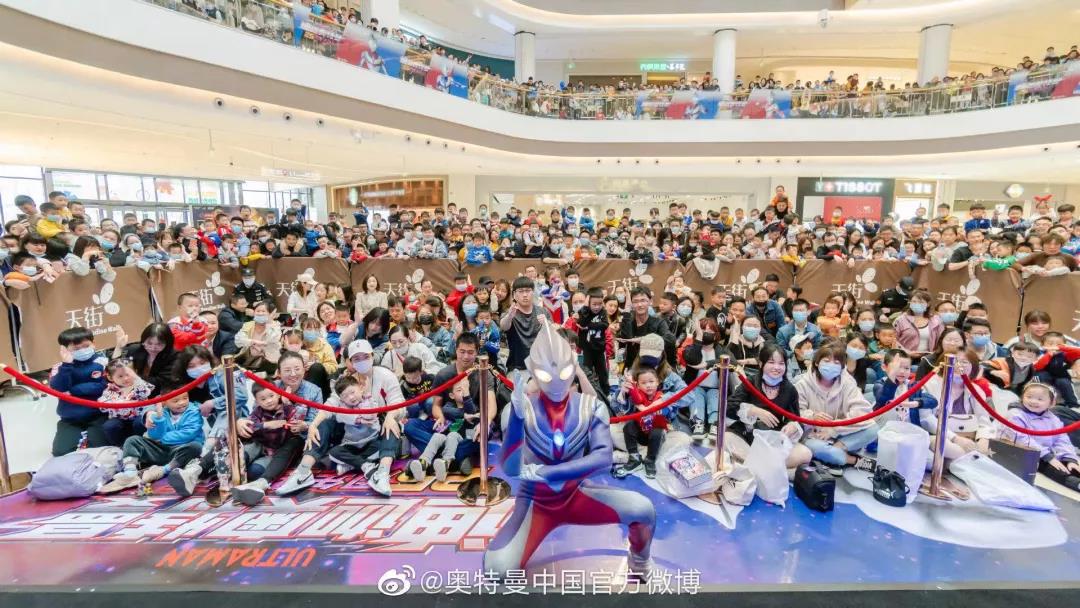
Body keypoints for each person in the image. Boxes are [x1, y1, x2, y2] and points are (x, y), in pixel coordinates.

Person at [484, 323, 655, 578]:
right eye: (545, 375)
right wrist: (518, 419)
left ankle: (639, 562)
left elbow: (603, 458)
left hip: (576, 496)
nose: (556, 381)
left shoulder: (590, 407)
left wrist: (547, 472)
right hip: (535, 503)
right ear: (533, 371)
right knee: (497, 569)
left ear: (574, 365)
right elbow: (511, 468)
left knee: (643, 510)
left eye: (564, 371)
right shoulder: (521, 409)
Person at [277, 344, 405, 497]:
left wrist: (390, 416)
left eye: (365, 356)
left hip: (377, 428)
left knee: (391, 424)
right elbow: (330, 405)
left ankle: (382, 473)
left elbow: (399, 402)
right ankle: (303, 471)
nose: (362, 361)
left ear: (372, 356)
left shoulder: (385, 375)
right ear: (350, 361)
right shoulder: (346, 381)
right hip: (351, 434)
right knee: (324, 422)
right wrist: (313, 425)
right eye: (356, 358)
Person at [101, 381, 204, 493]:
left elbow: (188, 433)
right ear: (164, 402)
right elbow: (155, 435)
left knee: (195, 447)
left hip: (181, 450)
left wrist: (162, 439)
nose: (182, 402)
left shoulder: (194, 411)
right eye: (175, 401)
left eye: (185, 398)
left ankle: (163, 470)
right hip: (161, 449)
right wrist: (159, 417)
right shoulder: (160, 411)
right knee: (132, 440)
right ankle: (130, 473)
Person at [794, 342, 879, 473]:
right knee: (821, 450)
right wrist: (812, 416)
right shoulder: (802, 384)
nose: (831, 365)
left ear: (842, 367)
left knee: (873, 429)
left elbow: (862, 412)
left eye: (836, 363)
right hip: (814, 436)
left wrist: (834, 429)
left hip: (840, 433)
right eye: (826, 361)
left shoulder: (847, 383)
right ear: (816, 363)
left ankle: (837, 449)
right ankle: (854, 460)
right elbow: (796, 413)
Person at [729, 343, 812, 469]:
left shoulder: (790, 389)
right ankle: (767, 467)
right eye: (771, 362)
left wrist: (792, 426)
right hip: (746, 436)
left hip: (773, 440)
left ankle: (756, 466)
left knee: (805, 453)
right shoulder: (750, 382)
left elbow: (795, 418)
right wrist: (753, 410)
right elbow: (729, 407)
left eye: (781, 363)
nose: (776, 367)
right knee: (727, 439)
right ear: (761, 364)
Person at [227, 384, 308, 506]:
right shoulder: (258, 412)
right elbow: (250, 426)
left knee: (255, 471)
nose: (269, 401)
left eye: (271, 396)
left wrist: (288, 402)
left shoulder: (287, 408)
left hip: (279, 452)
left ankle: (260, 483)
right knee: (247, 448)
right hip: (261, 447)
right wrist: (266, 425)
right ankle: (228, 473)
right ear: (256, 401)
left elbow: (298, 416)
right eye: (263, 399)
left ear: (278, 394)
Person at [1000, 382, 1080, 491]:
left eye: (1040, 399)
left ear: (1051, 403)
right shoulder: (1015, 415)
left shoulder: (1052, 418)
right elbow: (1021, 439)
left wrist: (1069, 458)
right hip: (1022, 450)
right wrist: (1047, 456)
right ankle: (1074, 482)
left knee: (1068, 463)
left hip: (1044, 451)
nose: (1033, 401)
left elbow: (1061, 439)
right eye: (1029, 397)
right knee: (1050, 466)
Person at [50, 327, 109, 456]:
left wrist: (74, 390)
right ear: (65, 349)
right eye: (76, 349)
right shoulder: (60, 367)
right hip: (70, 417)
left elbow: (105, 385)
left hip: (98, 414)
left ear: (93, 343)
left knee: (99, 448)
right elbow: (58, 388)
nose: (82, 350)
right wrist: (67, 365)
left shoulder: (103, 362)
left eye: (86, 346)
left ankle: (88, 437)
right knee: (60, 452)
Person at [612, 366, 670, 479]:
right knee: (629, 425)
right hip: (641, 433)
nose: (648, 385)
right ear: (638, 385)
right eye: (643, 383)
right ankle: (634, 458)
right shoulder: (640, 395)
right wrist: (631, 385)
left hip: (655, 435)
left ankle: (650, 460)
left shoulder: (661, 396)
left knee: (657, 432)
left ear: (657, 382)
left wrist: (657, 410)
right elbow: (637, 399)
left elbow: (666, 409)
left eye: (651, 381)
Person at [99, 357, 155, 447]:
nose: (125, 379)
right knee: (110, 426)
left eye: (128, 374)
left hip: (138, 416)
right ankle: (119, 446)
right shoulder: (110, 390)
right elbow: (102, 406)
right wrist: (118, 403)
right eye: (120, 376)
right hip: (119, 419)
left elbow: (146, 391)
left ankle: (142, 444)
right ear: (110, 377)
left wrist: (137, 378)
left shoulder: (139, 385)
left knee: (140, 422)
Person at [500, 276, 551, 372]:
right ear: (514, 294)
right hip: (517, 367)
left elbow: (553, 334)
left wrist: (547, 324)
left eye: (528, 291)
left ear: (533, 292)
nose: (524, 295)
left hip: (541, 366)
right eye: (520, 291)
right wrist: (510, 316)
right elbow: (504, 326)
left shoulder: (543, 311)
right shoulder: (510, 312)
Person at [618, 287, 675, 369]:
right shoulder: (628, 321)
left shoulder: (658, 322)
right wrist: (627, 309)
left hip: (652, 369)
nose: (639, 305)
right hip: (631, 368)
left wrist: (643, 340)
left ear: (650, 301)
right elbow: (626, 339)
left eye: (643, 300)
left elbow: (670, 339)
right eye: (635, 301)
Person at [114, 323, 176, 394]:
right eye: (149, 343)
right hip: (133, 393)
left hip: (159, 395)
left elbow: (159, 383)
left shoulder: (174, 357)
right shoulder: (136, 349)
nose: (153, 348)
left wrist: (133, 377)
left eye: (159, 344)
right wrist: (119, 347)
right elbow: (114, 369)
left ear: (167, 343)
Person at [893, 290, 941, 357]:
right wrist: (907, 352)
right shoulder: (900, 320)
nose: (917, 304)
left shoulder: (935, 320)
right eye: (914, 301)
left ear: (928, 304)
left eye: (921, 302)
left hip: (927, 358)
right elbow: (893, 339)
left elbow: (940, 340)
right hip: (904, 357)